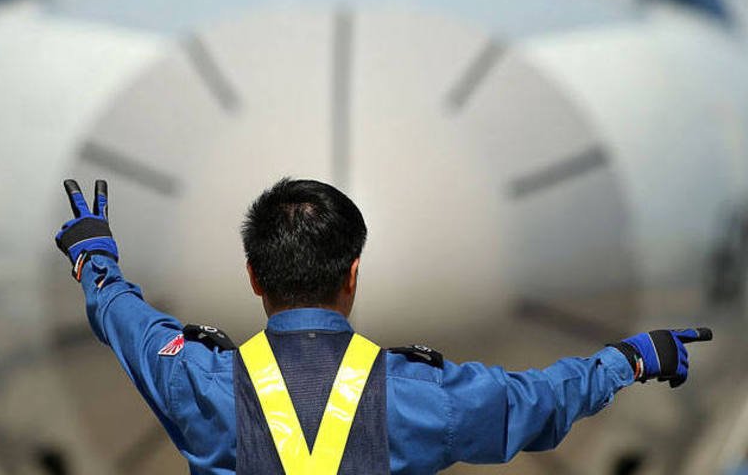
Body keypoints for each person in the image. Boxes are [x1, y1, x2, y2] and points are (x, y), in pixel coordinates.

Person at [54, 177, 712, 475]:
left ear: (253, 276)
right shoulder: (425, 399)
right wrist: (630, 361)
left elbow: (127, 323)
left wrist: (96, 259)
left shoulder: (197, 382)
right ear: (353, 275)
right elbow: (539, 403)